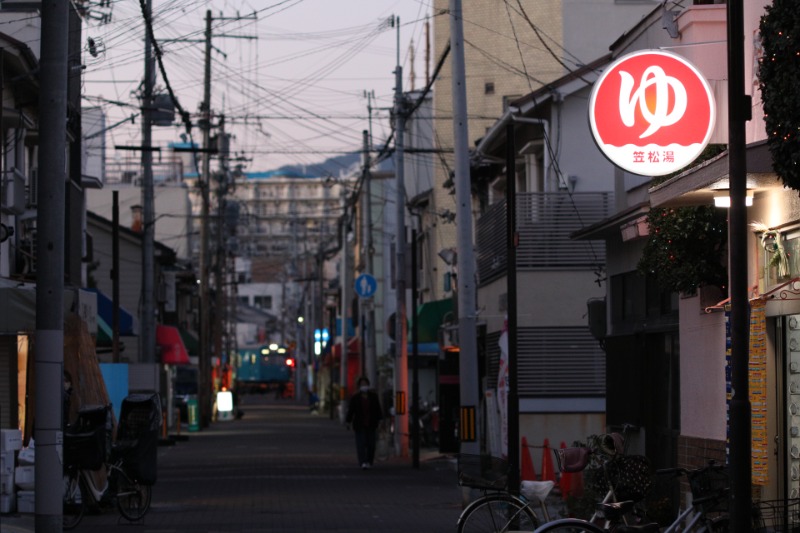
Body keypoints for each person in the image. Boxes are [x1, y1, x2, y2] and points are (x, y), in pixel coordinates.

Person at [345, 376, 383, 469]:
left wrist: (381, 420)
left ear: (368, 385)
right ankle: (363, 462)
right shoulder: (355, 398)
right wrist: (348, 421)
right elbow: (351, 411)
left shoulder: (373, 397)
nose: (364, 386)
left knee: (371, 445)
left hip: (371, 424)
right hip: (359, 424)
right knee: (361, 444)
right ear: (359, 386)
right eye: (362, 384)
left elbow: (378, 409)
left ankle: (369, 461)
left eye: (365, 384)